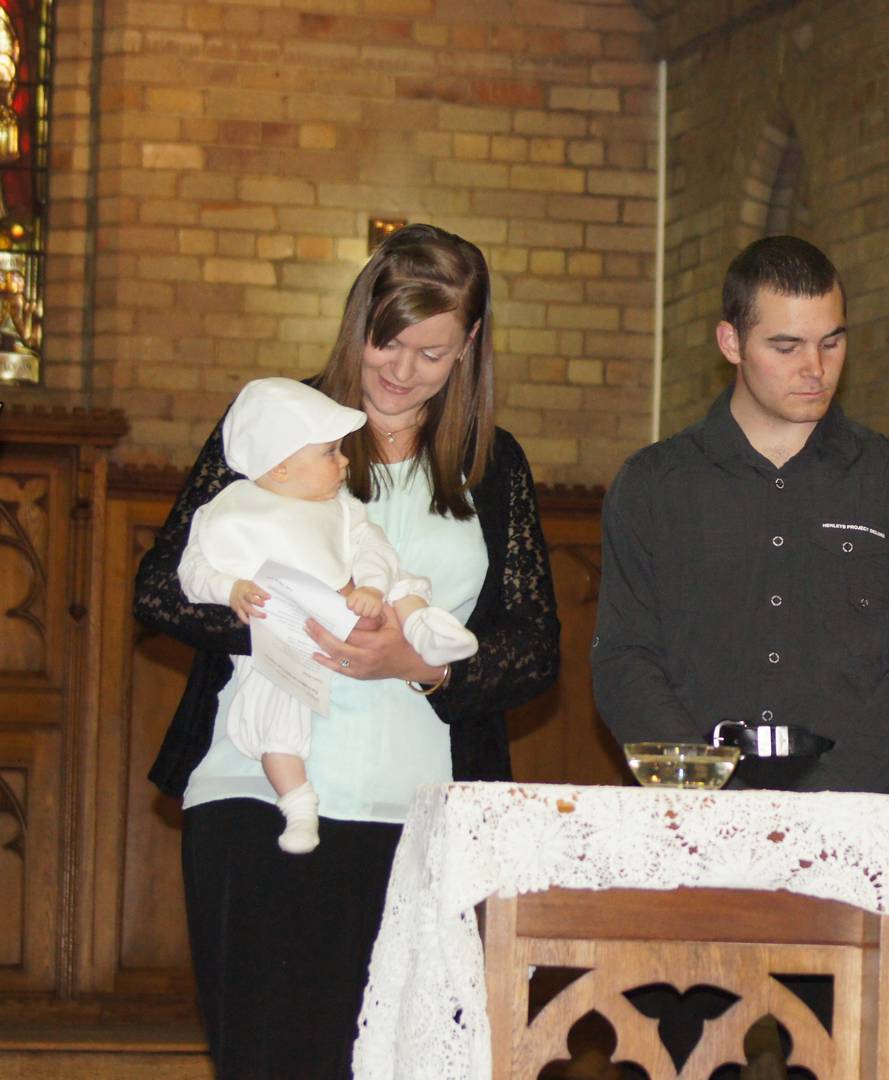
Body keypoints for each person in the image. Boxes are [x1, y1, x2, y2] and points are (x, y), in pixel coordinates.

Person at [134, 223, 560, 1079]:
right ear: (357, 319)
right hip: (259, 794)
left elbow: (535, 647)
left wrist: (421, 665)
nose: (401, 371)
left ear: (470, 345)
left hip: (419, 812)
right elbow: (161, 586)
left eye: (431, 353)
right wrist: (288, 619)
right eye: (385, 342)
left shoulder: (492, 463)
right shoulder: (276, 421)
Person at [591, 234, 889, 794]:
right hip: (696, 803)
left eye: (832, 342)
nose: (815, 368)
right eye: (786, 347)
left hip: (850, 806)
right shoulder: (653, 485)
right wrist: (706, 790)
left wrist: (831, 798)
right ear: (731, 342)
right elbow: (625, 660)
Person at [179, 376, 479, 854]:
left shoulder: (341, 510)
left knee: (402, 580)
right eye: (330, 453)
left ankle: (425, 629)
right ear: (280, 467)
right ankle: (298, 802)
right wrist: (230, 589)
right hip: (288, 641)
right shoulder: (229, 513)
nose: (344, 462)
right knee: (276, 710)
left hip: (362, 611)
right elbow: (192, 571)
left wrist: (371, 586)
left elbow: (374, 548)